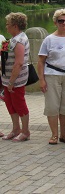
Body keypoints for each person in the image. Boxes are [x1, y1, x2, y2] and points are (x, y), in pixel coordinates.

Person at [37, 9, 65, 145]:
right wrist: (42, 80)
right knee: (52, 106)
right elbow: (41, 61)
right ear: (55, 22)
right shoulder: (49, 39)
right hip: (52, 75)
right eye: (61, 21)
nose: (64, 23)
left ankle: (63, 134)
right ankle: (54, 135)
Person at [1, 12, 30, 141]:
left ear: (15, 26)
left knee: (19, 104)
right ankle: (15, 129)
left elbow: (19, 63)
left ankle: (25, 131)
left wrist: (12, 81)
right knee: (10, 103)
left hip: (16, 80)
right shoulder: (13, 39)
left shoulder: (20, 40)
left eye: (8, 24)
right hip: (7, 79)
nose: (6, 27)